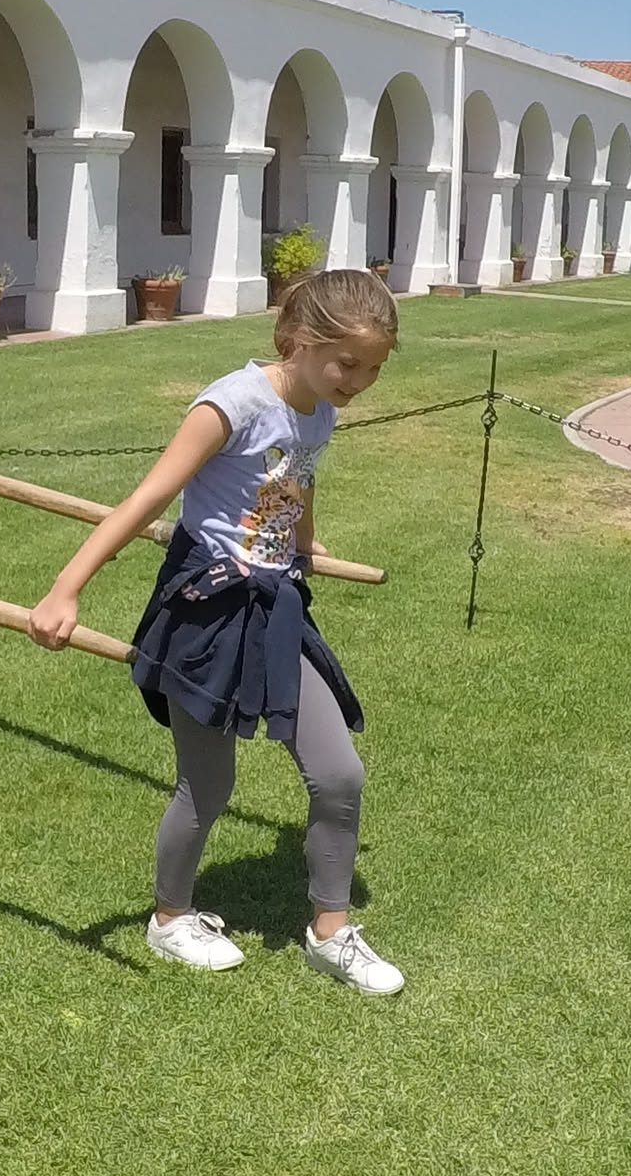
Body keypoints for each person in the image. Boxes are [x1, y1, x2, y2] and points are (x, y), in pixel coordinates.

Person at [27, 269, 403, 994]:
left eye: (373, 369)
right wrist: (65, 589)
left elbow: (298, 475)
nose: (360, 381)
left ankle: (330, 934)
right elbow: (149, 498)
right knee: (207, 782)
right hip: (207, 605)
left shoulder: (321, 407)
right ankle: (170, 919)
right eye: (348, 364)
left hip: (275, 604)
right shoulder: (230, 405)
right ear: (296, 340)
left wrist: (305, 541)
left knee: (339, 773)